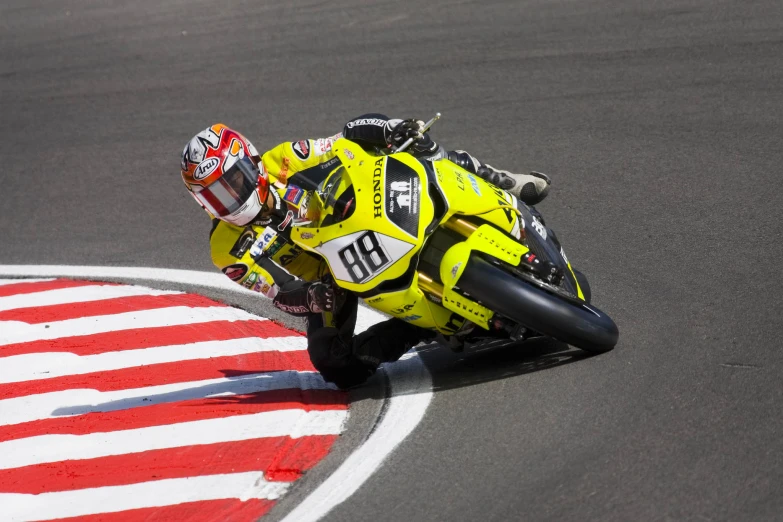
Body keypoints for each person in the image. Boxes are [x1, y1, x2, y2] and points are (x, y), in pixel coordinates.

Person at [180, 115, 551, 388]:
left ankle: (499, 180)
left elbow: (344, 139)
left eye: (234, 181)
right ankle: (416, 325)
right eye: (215, 195)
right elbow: (276, 291)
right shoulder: (225, 250)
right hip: (327, 277)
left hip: (353, 215)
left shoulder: (284, 159)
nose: (231, 197)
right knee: (334, 365)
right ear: (202, 204)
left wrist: (389, 130)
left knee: (421, 150)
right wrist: (310, 298)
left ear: (253, 162)